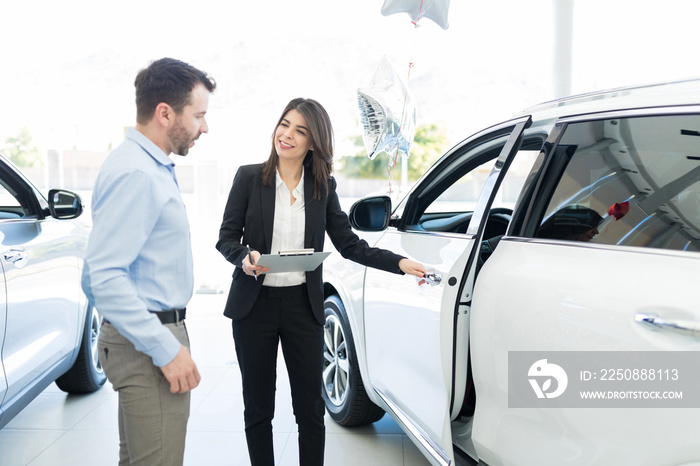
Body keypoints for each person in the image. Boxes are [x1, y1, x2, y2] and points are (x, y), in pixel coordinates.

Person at [216, 97, 426, 466]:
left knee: (311, 410)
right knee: (258, 407)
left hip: (303, 307)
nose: (287, 135)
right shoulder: (249, 177)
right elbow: (227, 238)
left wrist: (399, 262)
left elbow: (348, 244)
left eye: (300, 130)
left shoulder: (322, 185)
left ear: (313, 142)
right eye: (284, 124)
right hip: (254, 307)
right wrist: (244, 257)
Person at [81, 57, 216, 466]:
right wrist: (166, 350)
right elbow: (101, 277)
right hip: (148, 343)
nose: (204, 128)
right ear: (164, 113)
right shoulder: (137, 173)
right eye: (199, 115)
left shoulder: (143, 165)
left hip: (147, 337)